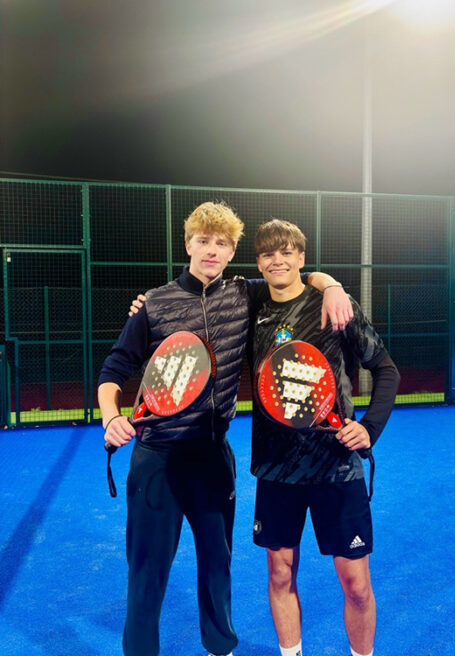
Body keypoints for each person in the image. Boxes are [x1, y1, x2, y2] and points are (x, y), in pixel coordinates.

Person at [98, 201, 353, 656]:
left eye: (222, 243)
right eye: (203, 241)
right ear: (188, 245)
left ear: (233, 251)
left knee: (217, 564)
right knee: (147, 570)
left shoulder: (243, 294)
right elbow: (115, 367)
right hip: (158, 458)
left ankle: (220, 648)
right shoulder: (154, 303)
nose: (212, 250)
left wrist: (331, 285)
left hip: (213, 456)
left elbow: (295, 275)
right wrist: (110, 416)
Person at [249, 219, 400, 656]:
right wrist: (145, 305)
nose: (277, 260)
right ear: (258, 263)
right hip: (276, 467)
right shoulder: (251, 304)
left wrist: (369, 428)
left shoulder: (334, 305)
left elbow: (386, 369)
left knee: (356, 583)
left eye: (287, 252)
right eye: (268, 254)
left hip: (336, 465)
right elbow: (199, 292)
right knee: (280, 574)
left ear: (301, 257)